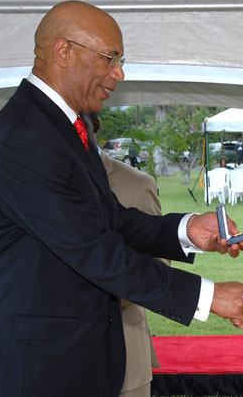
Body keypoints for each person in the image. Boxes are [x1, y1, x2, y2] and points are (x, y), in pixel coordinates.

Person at [0, 1, 243, 397]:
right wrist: (209, 295)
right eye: (110, 58)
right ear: (64, 51)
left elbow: (109, 220)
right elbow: (93, 249)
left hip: (57, 362)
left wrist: (185, 230)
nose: (119, 73)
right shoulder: (25, 137)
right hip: (19, 369)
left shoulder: (65, 127)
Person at [87, 113, 165, 397]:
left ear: (91, 126)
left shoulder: (135, 184)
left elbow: (158, 266)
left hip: (123, 348)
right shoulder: (42, 181)